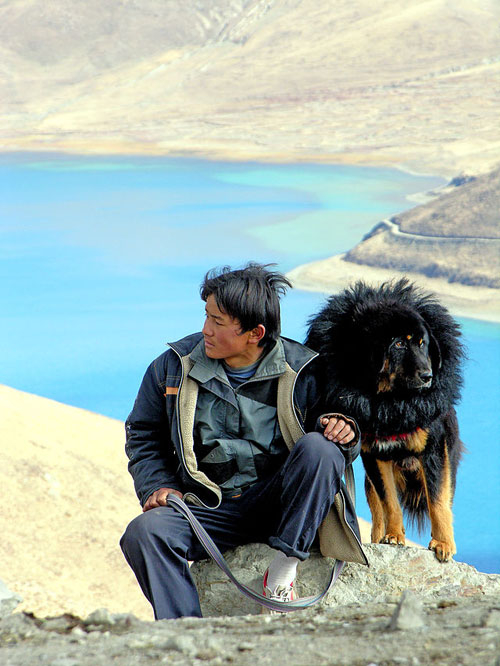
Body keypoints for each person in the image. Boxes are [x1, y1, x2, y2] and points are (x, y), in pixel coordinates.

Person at [120, 263, 367, 620]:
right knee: (144, 533)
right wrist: (156, 484)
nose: (205, 330)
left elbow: (338, 448)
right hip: (207, 508)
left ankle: (281, 574)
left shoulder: (306, 370)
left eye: (218, 322)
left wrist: (345, 433)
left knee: (320, 448)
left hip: (283, 507)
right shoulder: (173, 366)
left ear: (255, 333)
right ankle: (186, 634)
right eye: (206, 316)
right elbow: (143, 434)